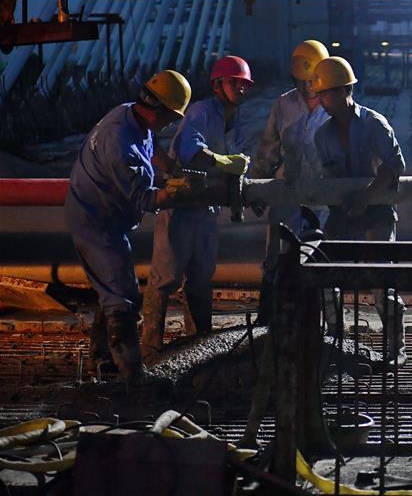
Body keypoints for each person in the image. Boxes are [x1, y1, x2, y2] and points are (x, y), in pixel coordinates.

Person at [65, 70, 199, 383]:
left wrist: (176, 171)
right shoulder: (119, 142)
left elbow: (152, 152)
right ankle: (133, 376)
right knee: (121, 297)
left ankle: (103, 361)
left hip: (105, 215)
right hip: (96, 220)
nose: (170, 124)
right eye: (170, 118)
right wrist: (179, 193)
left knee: (110, 288)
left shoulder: (131, 115)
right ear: (160, 109)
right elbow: (145, 199)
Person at [141, 56, 253, 357]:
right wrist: (222, 162)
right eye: (234, 82)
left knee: (202, 275)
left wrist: (240, 173)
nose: (241, 89)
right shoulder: (202, 111)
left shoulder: (235, 119)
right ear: (218, 84)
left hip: (206, 209)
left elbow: (240, 158)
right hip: (181, 206)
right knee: (165, 278)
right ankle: (150, 352)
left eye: (244, 84)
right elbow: (191, 151)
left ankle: (199, 348)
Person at [311, 56, 408, 365]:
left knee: (382, 281)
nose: (321, 101)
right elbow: (327, 179)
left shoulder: (373, 123)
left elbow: (396, 165)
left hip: (376, 212)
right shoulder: (322, 135)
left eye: (325, 94)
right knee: (326, 275)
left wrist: (366, 197)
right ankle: (334, 340)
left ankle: (396, 349)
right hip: (342, 215)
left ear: (343, 91)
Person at [250, 40, 330, 324]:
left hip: (323, 201)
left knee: (322, 262)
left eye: (313, 80)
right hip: (286, 197)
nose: (309, 86)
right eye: (303, 81)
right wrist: (257, 189)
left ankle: (329, 328)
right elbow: (268, 149)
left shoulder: (336, 106)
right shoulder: (284, 104)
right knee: (275, 260)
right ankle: (267, 323)